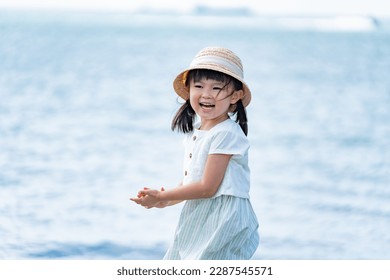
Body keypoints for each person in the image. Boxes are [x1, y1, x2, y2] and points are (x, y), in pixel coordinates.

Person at [130, 47, 259, 260]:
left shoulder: (227, 133)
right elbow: (191, 183)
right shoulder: (197, 132)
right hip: (200, 215)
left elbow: (208, 188)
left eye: (217, 88)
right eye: (198, 86)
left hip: (223, 218)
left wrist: (163, 195)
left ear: (235, 96)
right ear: (189, 90)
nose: (206, 94)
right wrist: (162, 201)